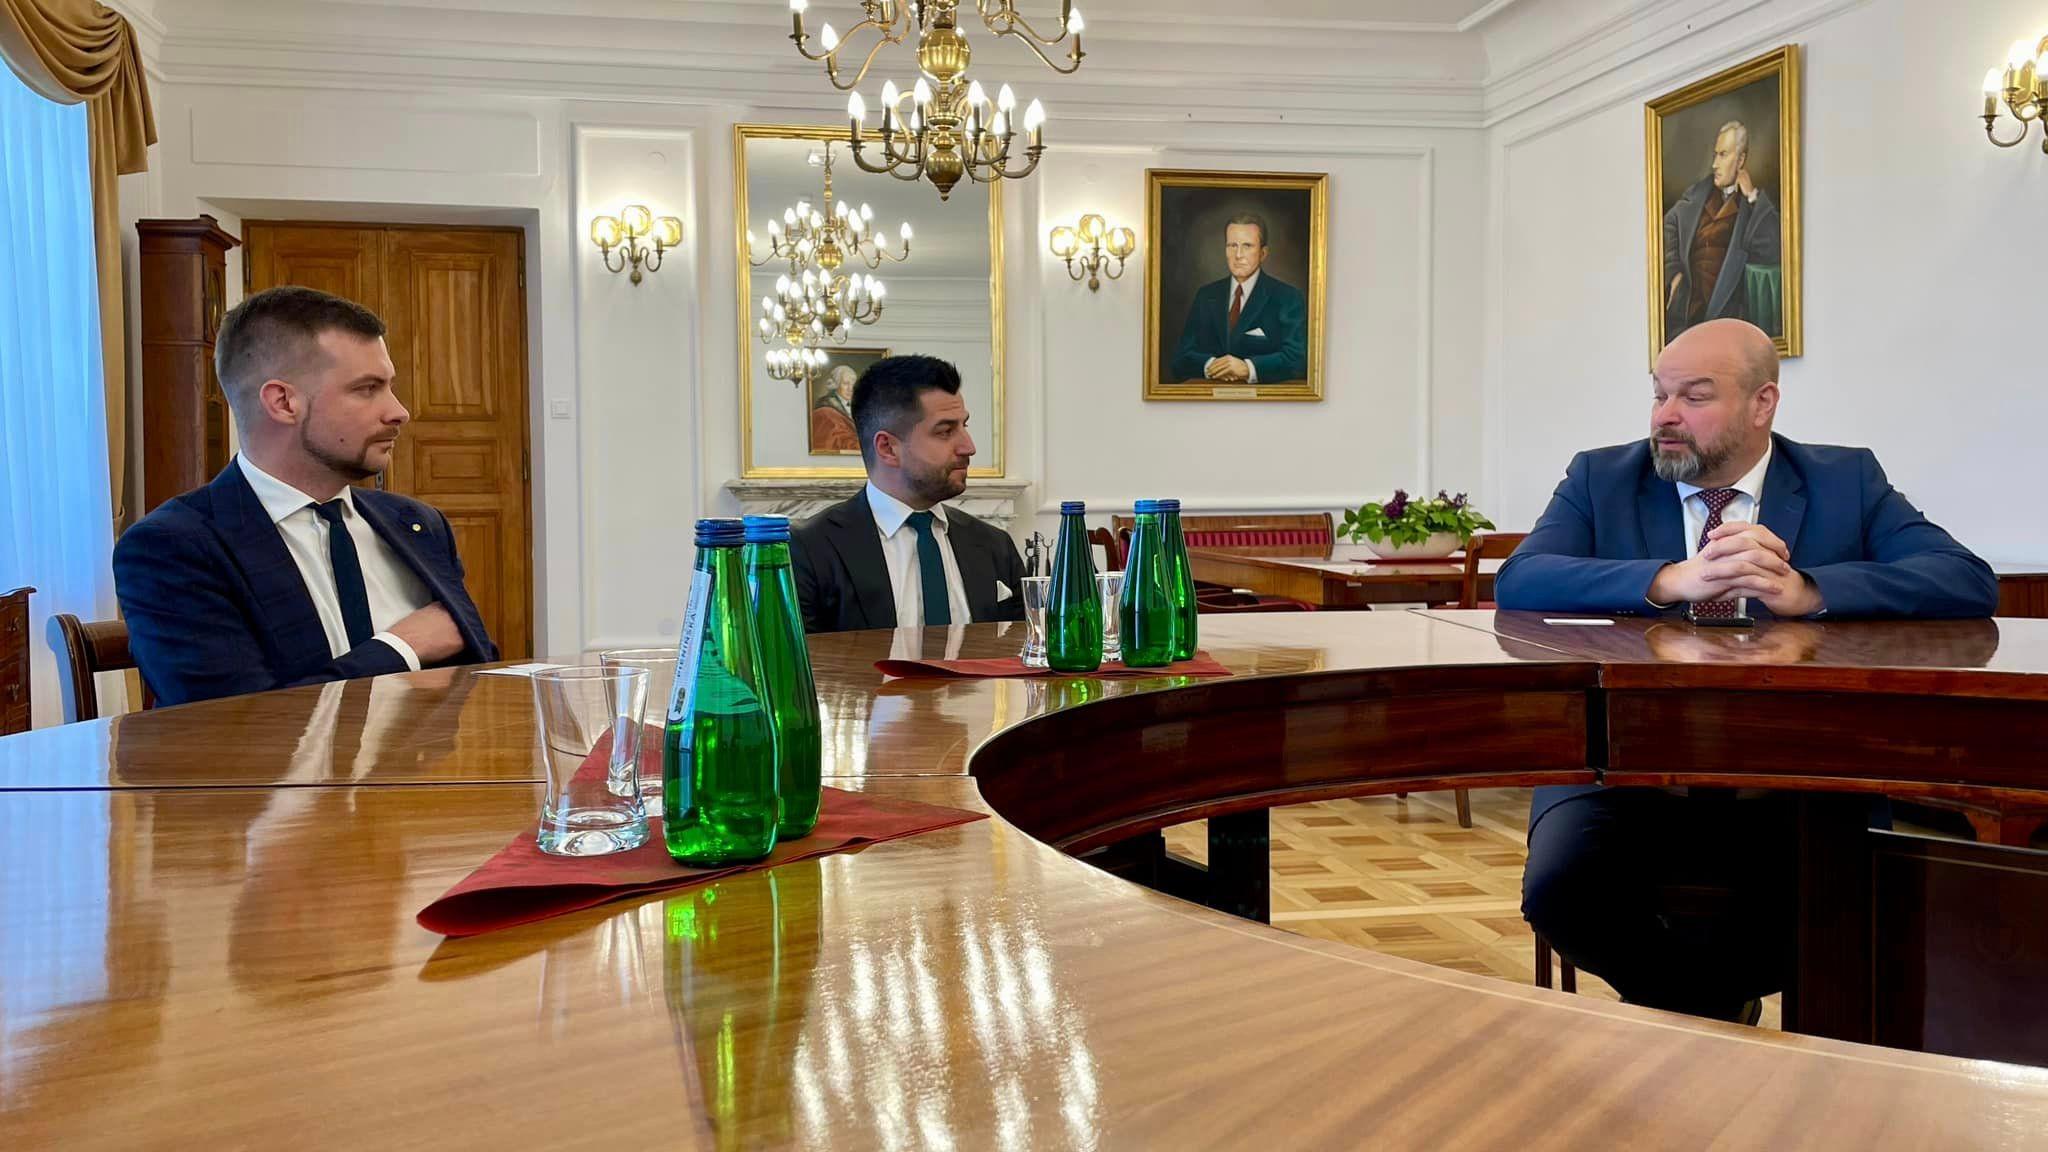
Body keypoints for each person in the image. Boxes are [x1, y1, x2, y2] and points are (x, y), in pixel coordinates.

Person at [1495, 318, 1997, 1023]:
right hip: (1623, 766)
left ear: (1763, 403)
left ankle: (1702, 1024)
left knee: (1850, 901)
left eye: (1694, 397)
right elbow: (1521, 579)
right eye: (1659, 394)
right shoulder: (1600, 477)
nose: (1666, 416)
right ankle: (1718, 1013)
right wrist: (1668, 580)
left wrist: (1810, 591)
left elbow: (1965, 578)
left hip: (1805, 769)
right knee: (1560, 889)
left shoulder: (1844, 480)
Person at [115, 286, 497, 707]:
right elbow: (235, 720)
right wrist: (402, 646)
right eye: (367, 389)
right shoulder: (173, 548)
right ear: (282, 402)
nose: (399, 411)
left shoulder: (418, 524)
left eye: (389, 386)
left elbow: (478, 676)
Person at [790, 354, 1025, 633]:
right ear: (888, 448)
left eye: (964, 426)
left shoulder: (995, 546)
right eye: (945, 431)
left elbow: (1021, 650)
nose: (969, 446)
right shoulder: (809, 550)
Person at [1662, 120, 1781, 341]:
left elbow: (1774, 247)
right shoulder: (1697, 195)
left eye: (1723, 155)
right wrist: (1675, 271)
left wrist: (1752, 196)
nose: (1714, 164)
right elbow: (1667, 225)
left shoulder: (1752, 206)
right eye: (1715, 155)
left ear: (1741, 160)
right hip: (1686, 318)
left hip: (1727, 319)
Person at [1168, 213, 1308, 385]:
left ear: (1263, 253)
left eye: (1247, 246)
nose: (1238, 255)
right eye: (1232, 245)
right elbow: (1180, 359)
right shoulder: (1206, 295)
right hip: (1208, 397)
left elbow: (1297, 360)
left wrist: (1248, 368)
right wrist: (1213, 366)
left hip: (1266, 399)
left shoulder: (1288, 297)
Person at [809, 364, 860, 454]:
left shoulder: (860, 405)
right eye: (845, 384)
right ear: (835, 385)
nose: (850, 388)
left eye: (853, 384)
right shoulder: (826, 409)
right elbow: (835, 440)